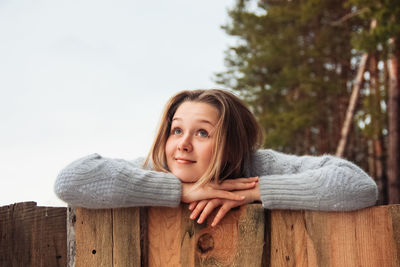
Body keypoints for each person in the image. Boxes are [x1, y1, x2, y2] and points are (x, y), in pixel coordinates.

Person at [54, 89, 378, 227]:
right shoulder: (153, 169)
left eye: (203, 133)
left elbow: (357, 186)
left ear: (233, 144)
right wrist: (179, 191)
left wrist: (252, 191)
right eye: (177, 130)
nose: (182, 145)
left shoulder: (258, 166)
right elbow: (71, 180)